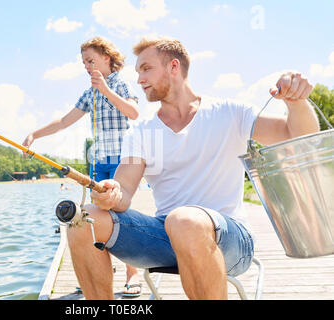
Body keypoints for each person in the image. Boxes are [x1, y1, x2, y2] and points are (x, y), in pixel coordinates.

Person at [66, 36, 320, 299]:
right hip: (165, 237)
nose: (139, 79)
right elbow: (125, 191)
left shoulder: (229, 113)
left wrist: (296, 102)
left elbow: (297, 135)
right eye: (138, 72)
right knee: (83, 220)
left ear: (174, 67)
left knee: (184, 220)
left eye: (146, 69)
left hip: (231, 238)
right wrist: (112, 194)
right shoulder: (143, 132)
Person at [22, 36, 142, 296]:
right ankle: (102, 269)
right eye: (84, 62)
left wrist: (106, 90)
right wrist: (35, 135)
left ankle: (132, 275)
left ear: (106, 58)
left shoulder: (120, 84)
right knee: (94, 218)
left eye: (91, 60)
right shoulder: (89, 93)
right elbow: (64, 121)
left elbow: (133, 112)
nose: (87, 66)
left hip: (123, 162)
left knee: (123, 215)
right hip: (98, 162)